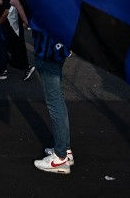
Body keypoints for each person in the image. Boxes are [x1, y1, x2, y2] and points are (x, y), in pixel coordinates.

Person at [32, 27, 73, 174]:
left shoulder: (44, 5)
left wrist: (17, 5)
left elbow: (31, 23)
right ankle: (65, 149)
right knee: (58, 102)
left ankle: (60, 157)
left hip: (47, 53)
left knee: (55, 103)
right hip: (58, 50)